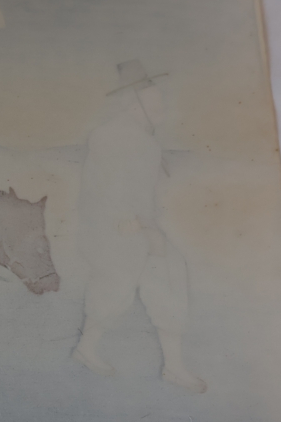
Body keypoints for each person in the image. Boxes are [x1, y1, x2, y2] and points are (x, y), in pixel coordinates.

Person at [73, 61, 206, 393]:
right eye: (153, 102)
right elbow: (110, 190)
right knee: (119, 282)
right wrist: (142, 229)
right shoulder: (115, 137)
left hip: (133, 226)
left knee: (166, 274)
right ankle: (87, 349)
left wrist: (148, 229)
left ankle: (173, 367)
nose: (162, 108)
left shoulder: (138, 138)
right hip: (112, 228)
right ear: (133, 105)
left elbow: (140, 193)